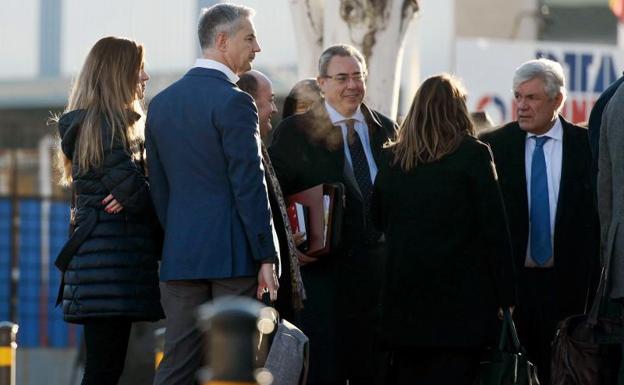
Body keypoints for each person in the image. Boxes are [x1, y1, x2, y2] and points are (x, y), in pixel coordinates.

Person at [145, 4, 280, 384]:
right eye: (249, 37)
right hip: (232, 256)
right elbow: (248, 183)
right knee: (236, 364)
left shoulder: (161, 104)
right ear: (221, 40)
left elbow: (160, 188)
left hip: (181, 256)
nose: (257, 47)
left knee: (177, 363)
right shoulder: (235, 101)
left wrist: (175, 242)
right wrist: (266, 254)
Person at [371, 74, 516, 385]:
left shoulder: (392, 158)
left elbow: (377, 219)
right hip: (462, 309)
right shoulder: (473, 155)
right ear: (457, 110)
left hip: (405, 306)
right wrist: (507, 296)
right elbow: (495, 231)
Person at [269, 44, 398, 385]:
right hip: (323, 283)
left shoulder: (385, 129)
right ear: (321, 83)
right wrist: (289, 247)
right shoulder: (295, 132)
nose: (352, 85)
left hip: (376, 284)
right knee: (324, 372)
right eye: (342, 77)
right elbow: (272, 197)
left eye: (358, 76)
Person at [481, 58, 599, 385]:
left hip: (570, 292)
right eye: (517, 96)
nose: (521, 106)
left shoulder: (586, 146)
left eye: (531, 98)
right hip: (513, 291)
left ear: (557, 100)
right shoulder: (493, 147)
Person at [54, 36, 164, 385]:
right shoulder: (105, 128)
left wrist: (138, 185)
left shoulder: (112, 127)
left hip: (108, 266)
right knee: (103, 370)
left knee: (105, 368)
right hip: (108, 267)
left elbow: (133, 192)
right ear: (118, 74)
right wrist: (142, 186)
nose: (145, 77)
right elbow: (137, 195)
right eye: (139, 69)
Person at [237, 69, 306, 320]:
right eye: (271, 100)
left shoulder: (260, 152)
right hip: (258, 288)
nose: (275, 109)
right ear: (250, 105)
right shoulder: (247, 157)